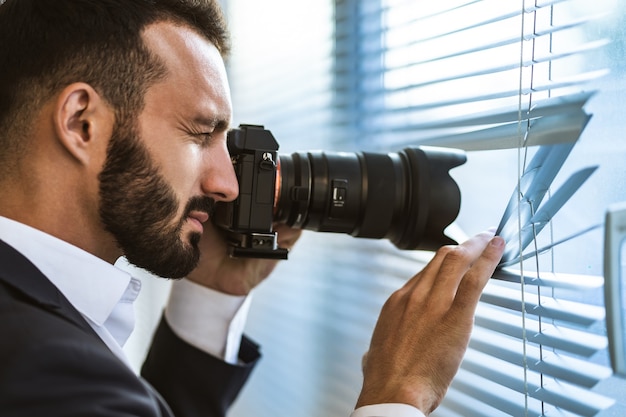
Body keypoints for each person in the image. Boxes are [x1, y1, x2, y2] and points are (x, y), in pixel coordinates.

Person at [0, 0, 505, 416]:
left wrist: (212, 294)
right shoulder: (40, 366)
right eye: (200, 134)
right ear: (82, 123)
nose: (228, 185)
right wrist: (399, 397)